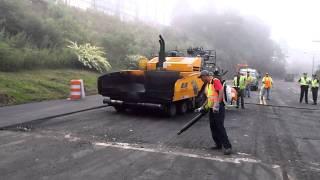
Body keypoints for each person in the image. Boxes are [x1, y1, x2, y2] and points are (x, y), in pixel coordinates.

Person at [195, 70, 232, 155]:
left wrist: (217, 104)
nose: (201, 79)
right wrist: (202, 107)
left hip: (218, 108)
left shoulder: (215, 81)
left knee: (219, 126)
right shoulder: (207, 85)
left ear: (205, 76)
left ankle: (227, 147)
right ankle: (218, 144)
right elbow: (209, 98)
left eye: (201, 78)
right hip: (212, 108)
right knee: (213, 126)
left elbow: (221, 91)